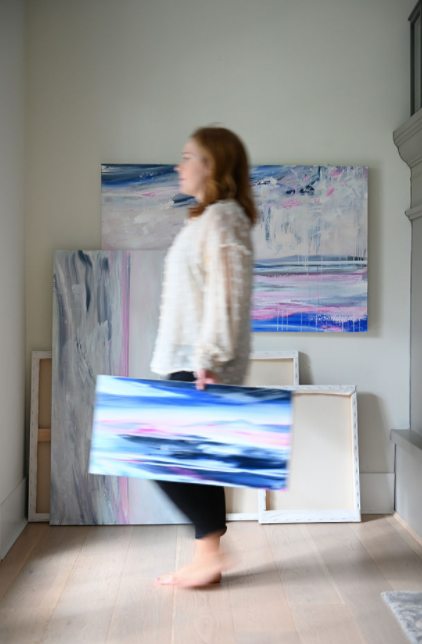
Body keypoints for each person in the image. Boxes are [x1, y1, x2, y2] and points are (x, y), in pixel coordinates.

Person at [150, 126, 257, 587]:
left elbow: (229, 292)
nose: (180, 165)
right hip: (186, 357)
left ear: (212, 165)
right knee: (195, 462)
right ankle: (207, 557)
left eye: (188, 156)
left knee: (162, 454)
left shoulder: (223, 218)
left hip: (199, 362)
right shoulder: (207, 219)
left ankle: (210, 553)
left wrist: (210, 358)